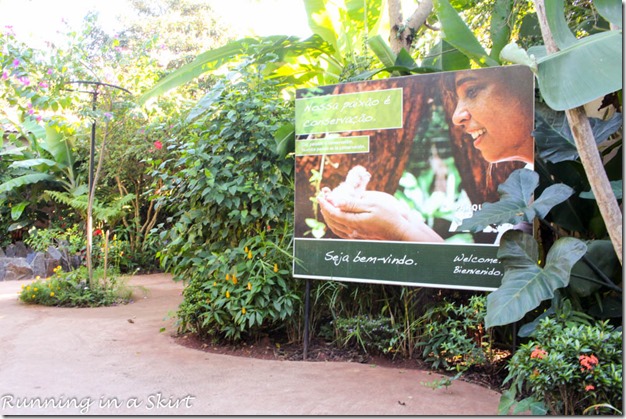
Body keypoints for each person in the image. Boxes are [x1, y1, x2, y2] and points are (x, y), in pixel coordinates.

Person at [317, 66, 534, 242]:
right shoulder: (527, 179)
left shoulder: (548, 182)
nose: (457, 116)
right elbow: (471, 271)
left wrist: (398, 228)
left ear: (523, 86)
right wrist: (400, 218)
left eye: (472, 91)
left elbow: (496, 279)